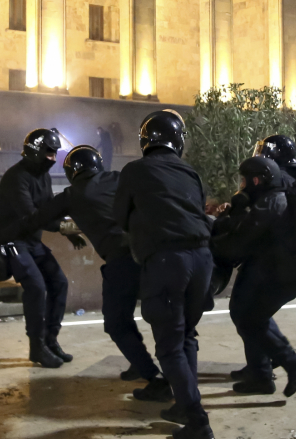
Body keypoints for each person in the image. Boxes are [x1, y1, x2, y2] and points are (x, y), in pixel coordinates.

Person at [0, 145, 165, 388]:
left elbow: (32, 220)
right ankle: (139, 363)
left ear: (71, 172)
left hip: (122, 262)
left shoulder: (72, 195)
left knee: (117, 323)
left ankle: (154, 379)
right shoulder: (117, 178)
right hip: (154, 253)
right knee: (160, 318)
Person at [113, 110, 215, 439]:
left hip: (167, 263)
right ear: (179, 142)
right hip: (202, 259)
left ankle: (197, 423)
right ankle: (183, 404)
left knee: (169, 346)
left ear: (145, 142)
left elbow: (121, 217)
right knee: (186, 336)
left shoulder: (134, 171)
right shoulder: (190, 172)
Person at [211, 156, 296, 397]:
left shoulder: (272, 203)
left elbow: (241, 237)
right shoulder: (271, 198)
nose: (244, 186)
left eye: (246, 181)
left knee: (251, 319)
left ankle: (291, 363)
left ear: (257, 180)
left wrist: (214, 229)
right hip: (274, 272)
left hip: (280, 275)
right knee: (248, 315)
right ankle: (261, 374)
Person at [0, 128, 72, 369]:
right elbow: (31, 217)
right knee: (36, 286)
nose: (52, 159)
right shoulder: (16, 177)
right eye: (49, 154)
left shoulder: (43, 177)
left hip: (31, 241)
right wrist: (65, 227)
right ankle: (37, 347)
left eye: (54, 154)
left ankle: (51, 340)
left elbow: (48, 209)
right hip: (10, 242)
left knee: (59, 282)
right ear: (35, 152)